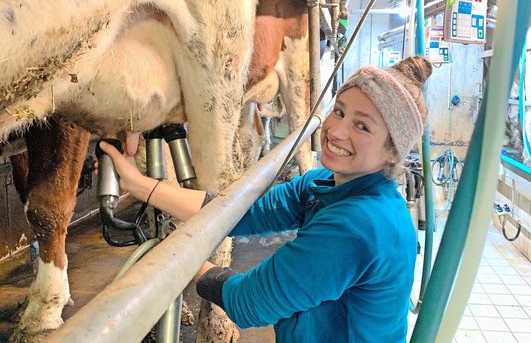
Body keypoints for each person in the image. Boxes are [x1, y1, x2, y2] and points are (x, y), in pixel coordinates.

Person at [99, 55, 432, 342]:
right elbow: (242, 212)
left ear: (392, 152)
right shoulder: (326, 183)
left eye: (362, 126)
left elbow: (249, 301)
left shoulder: (359, 224)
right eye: (340, 112)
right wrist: (141, 186)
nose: (337, 131)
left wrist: (178, 260)